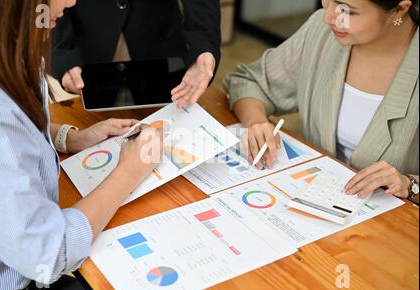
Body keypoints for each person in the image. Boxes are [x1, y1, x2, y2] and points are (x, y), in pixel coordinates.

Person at [0, 0, 162, 290]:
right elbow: (48, 253)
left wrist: (68, 138)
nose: (73, 1)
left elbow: (10, 133)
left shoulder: (6, 53)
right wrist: (129, 172)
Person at [224, 0, 419, 203]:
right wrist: (256, 121)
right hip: (309, 201)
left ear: (400, 9)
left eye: (347, 10)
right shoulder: (323, 30)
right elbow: (249, 81)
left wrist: (409, 184)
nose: (328, 17)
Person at [51, 0, 221, 108]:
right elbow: (38, 6)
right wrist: (60, 52)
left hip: (159, 43)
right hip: (84, 43)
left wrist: (204, 46)